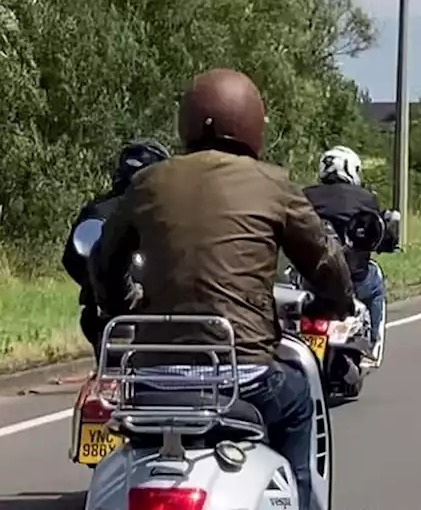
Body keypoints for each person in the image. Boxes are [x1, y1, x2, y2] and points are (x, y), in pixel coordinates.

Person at [91, 68, 354, 510]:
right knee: (299, 405)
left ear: (188, 122)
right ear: (251, 122)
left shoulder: (148, 183)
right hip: (244, 377)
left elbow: (104, 262)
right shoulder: (274, 183)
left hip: (154, 381)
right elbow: (326, 261)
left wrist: (122, 306)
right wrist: (335, 301)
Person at [62, 138, 170, 358]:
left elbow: (71, 259)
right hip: (159, 313)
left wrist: (94, 286)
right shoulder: (167, 209)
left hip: (106, 314)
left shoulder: (96, 209)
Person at [303, 145, 400, 369]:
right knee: (375, 282)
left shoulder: (306, 194)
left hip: (310, 278)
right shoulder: (366, 198)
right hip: (354, 278)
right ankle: (373, 346)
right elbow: (378, 231)